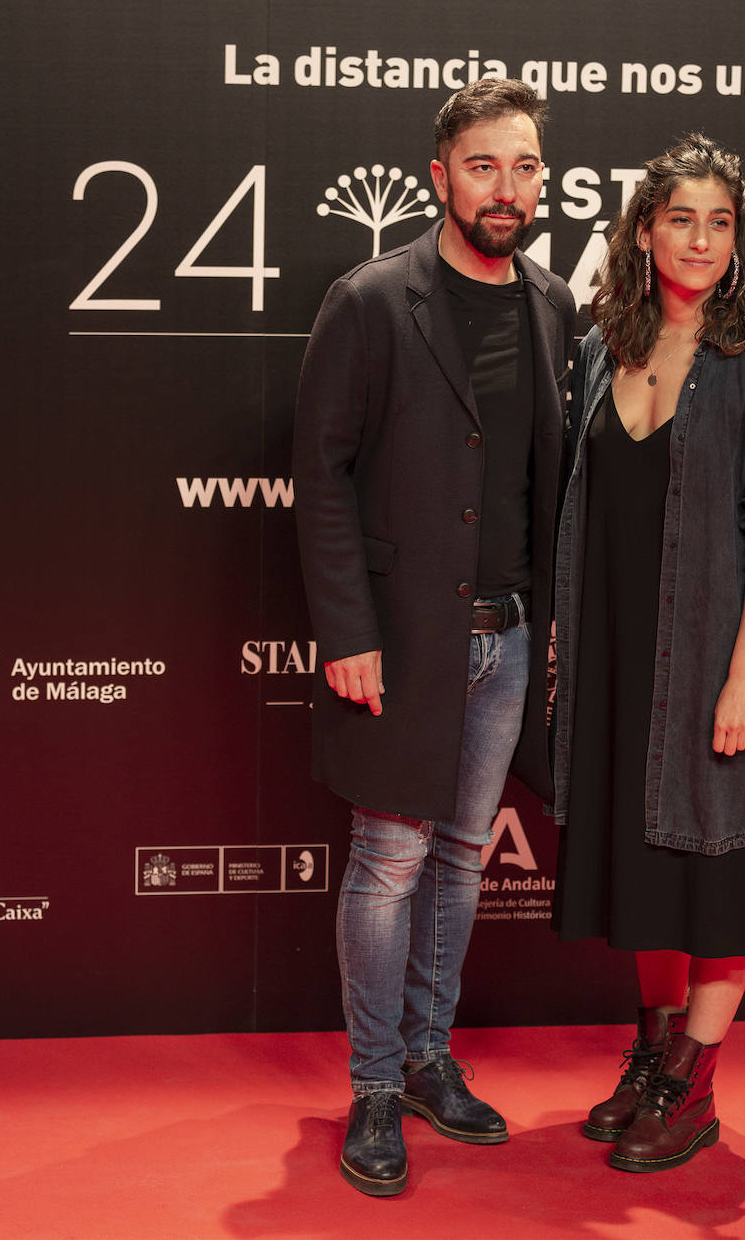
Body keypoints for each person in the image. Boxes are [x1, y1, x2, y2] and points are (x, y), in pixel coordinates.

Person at [293, 79, 577, 1197]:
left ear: (540, 181)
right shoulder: (372, 300)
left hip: (506, 640)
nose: (503, 189)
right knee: (389, 858)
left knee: (461, 856)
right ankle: (371, 1084)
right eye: (481, 166)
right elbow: (320, 478)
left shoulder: (552, 304)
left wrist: (550, 632)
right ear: (439, 177)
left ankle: (425, 1060)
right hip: (399, 641)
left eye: (521, 168)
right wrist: (345, 629)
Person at [551, 132, 745, 1174]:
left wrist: (742, 673)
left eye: (718, 221)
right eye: (679, 219)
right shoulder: (593, 348)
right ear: (644, 230)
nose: (698, 240)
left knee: (719, 876)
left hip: (711, 660)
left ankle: (693, 1086)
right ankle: (653, 1057)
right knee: (646, 876)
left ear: (738, 237)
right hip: (615, 665)